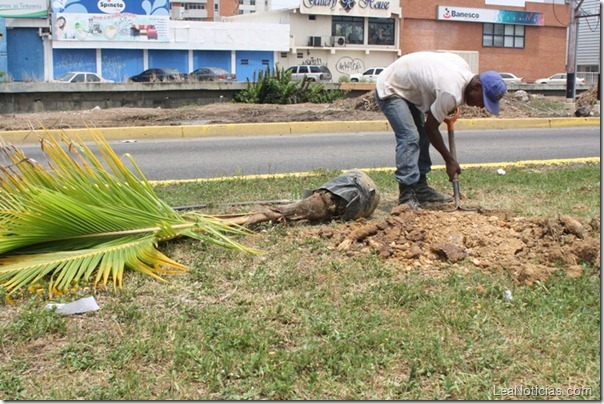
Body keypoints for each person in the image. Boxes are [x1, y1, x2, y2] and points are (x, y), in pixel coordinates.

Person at [375, 51, 507, 209]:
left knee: (422, 136)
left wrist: (442, 105)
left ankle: (420, 188)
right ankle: (407, 196)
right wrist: (449, 160)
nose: (482, 106)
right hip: (391, 87)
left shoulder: (463, 70)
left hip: (410, 88)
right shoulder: (450, 92)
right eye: (483, 100)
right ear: (477, 87)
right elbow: (431, 128)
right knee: (410, 137)